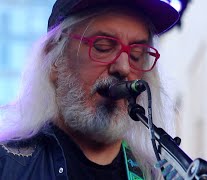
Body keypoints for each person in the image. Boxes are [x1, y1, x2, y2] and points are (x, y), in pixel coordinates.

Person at [0, 0, 180, 179]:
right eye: (103, 47)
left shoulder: (154, 174)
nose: (124, 68)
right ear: (54, 59)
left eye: (136, 55)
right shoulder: (7, 164)